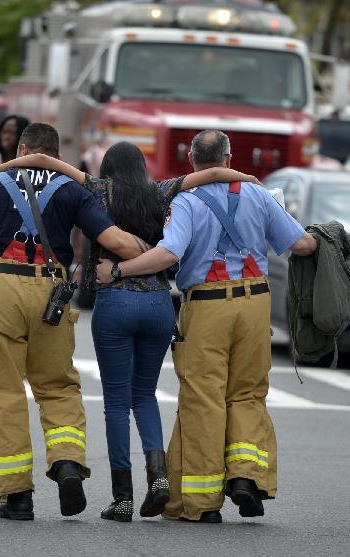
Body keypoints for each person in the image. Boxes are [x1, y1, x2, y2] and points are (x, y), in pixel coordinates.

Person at [0, 142, 262, 522]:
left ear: (109, 168)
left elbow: (46, 161)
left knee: (116, 402)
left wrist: (0, 168)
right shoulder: (162, 191)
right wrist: (244, 176)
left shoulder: (98, 189)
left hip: (114, 302)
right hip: (159, 304)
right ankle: (159, 478)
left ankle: (123, 497)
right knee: (145, 395)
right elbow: (211, 174)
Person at [97, 130, 317, 523]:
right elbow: (301, 245)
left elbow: (168, 253)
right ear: (229, 158)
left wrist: (117, 270)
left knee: (204, 397)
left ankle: (201, 503)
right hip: (255, 303)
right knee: (248, 393)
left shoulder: (185, 201)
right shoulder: (259, 194)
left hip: (209, 305)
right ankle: (246, 478)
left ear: (191, 161)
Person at [0, 122, 152, 521]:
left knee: (4, 390)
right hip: (52, 295)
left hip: (5, 286)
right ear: (58, 156)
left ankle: (17, 495)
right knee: (58, 386)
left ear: (23, 148)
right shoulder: (71, 189)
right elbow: (115, 241)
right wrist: (156, 251)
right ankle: (66, 464)